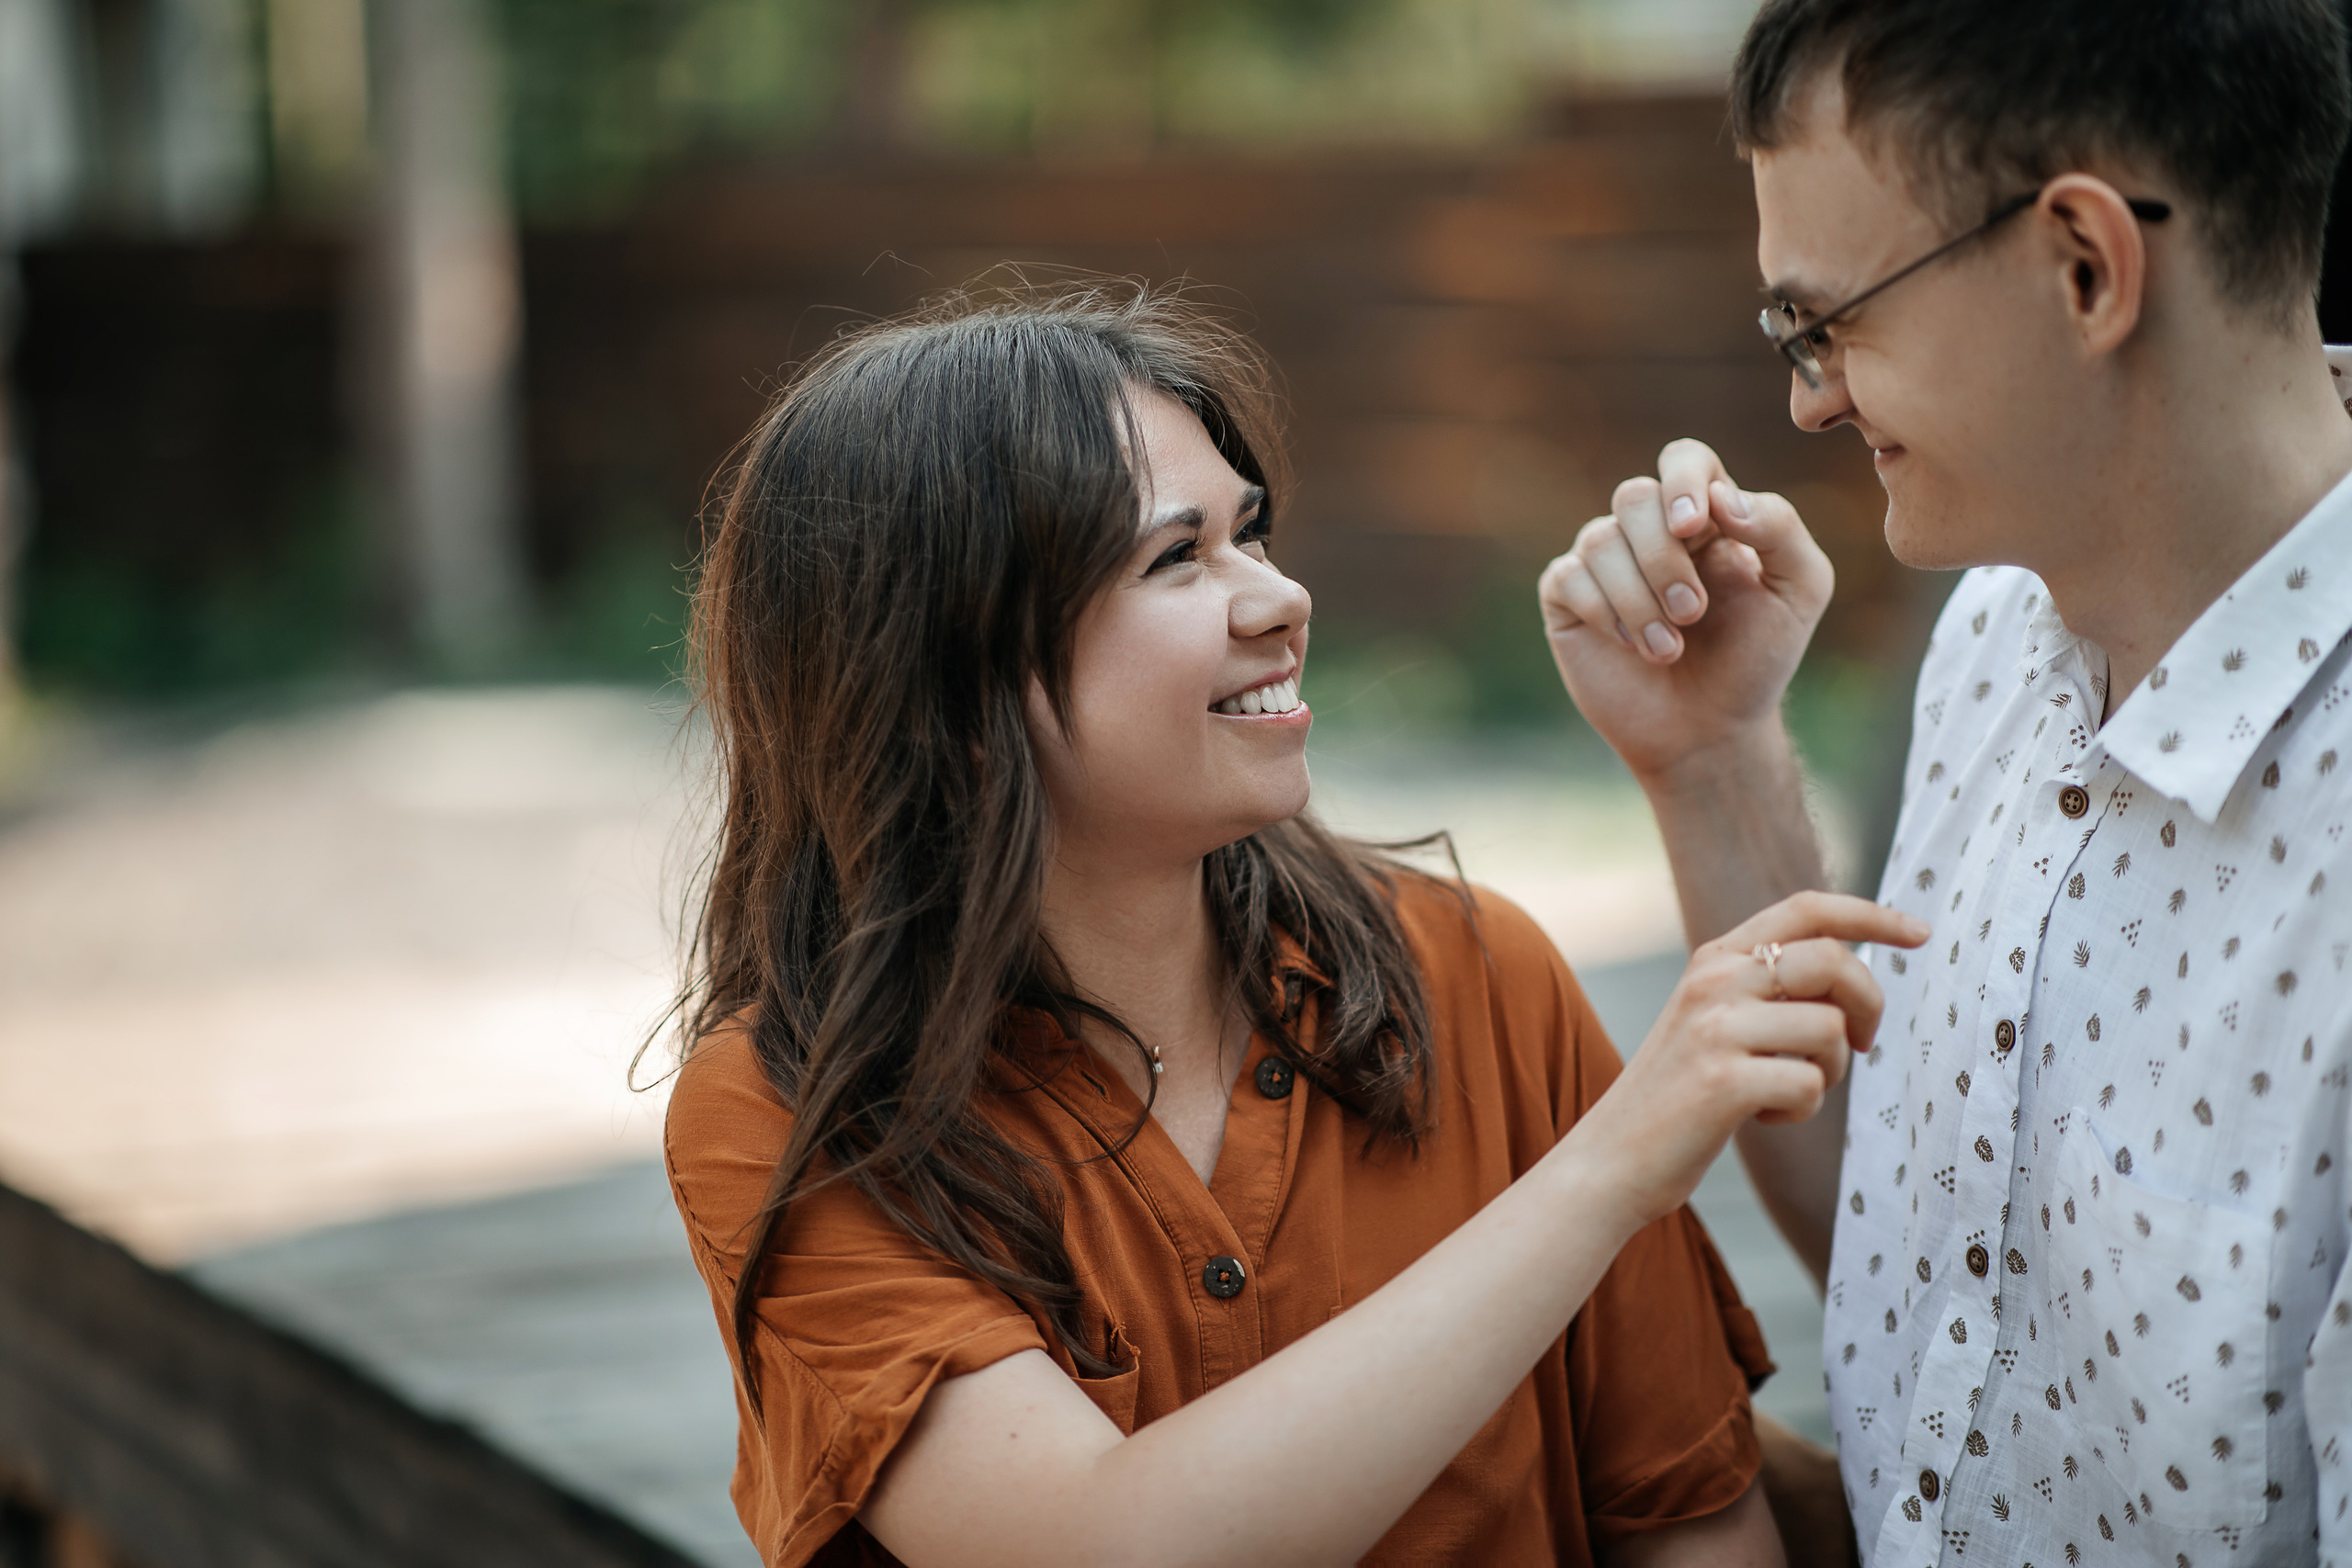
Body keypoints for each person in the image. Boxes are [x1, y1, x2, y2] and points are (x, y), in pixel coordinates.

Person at [660, 279, 1926, 1567]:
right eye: (1175, 558)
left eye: (1250, 535)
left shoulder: (1476, 976)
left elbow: (1691, 1527)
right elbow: (1088, 1548)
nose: (1279, 600)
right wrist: (1605, 1169)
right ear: (948, 673)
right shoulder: (788, 1107)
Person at [1540, 2, 2352, 1563]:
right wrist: (1712, 758)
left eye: (1825, 323)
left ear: (2085, 267)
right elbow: (1911, 1249)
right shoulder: (1999, 627)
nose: (1809, 402)